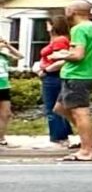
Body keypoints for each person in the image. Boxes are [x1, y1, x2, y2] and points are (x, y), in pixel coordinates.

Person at [56, 1, 92, 162]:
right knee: (60, 108)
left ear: (73, 11)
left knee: (80, 112)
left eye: (67, 8)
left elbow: (78, 55)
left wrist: (61, 55)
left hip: (78, 75)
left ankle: (86, 151)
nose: (65, 11)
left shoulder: (79, 29)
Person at [37, 12, 72, 147]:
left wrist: (46, 69)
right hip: (51, 75)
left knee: (52, 107)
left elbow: (62, 59)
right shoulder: (57, 40)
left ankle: (58, 137)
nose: (46, 26)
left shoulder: (59, 40)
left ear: (53, 26)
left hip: (53, 77)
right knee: (57, 106)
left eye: (48, 24)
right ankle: (61, 135)